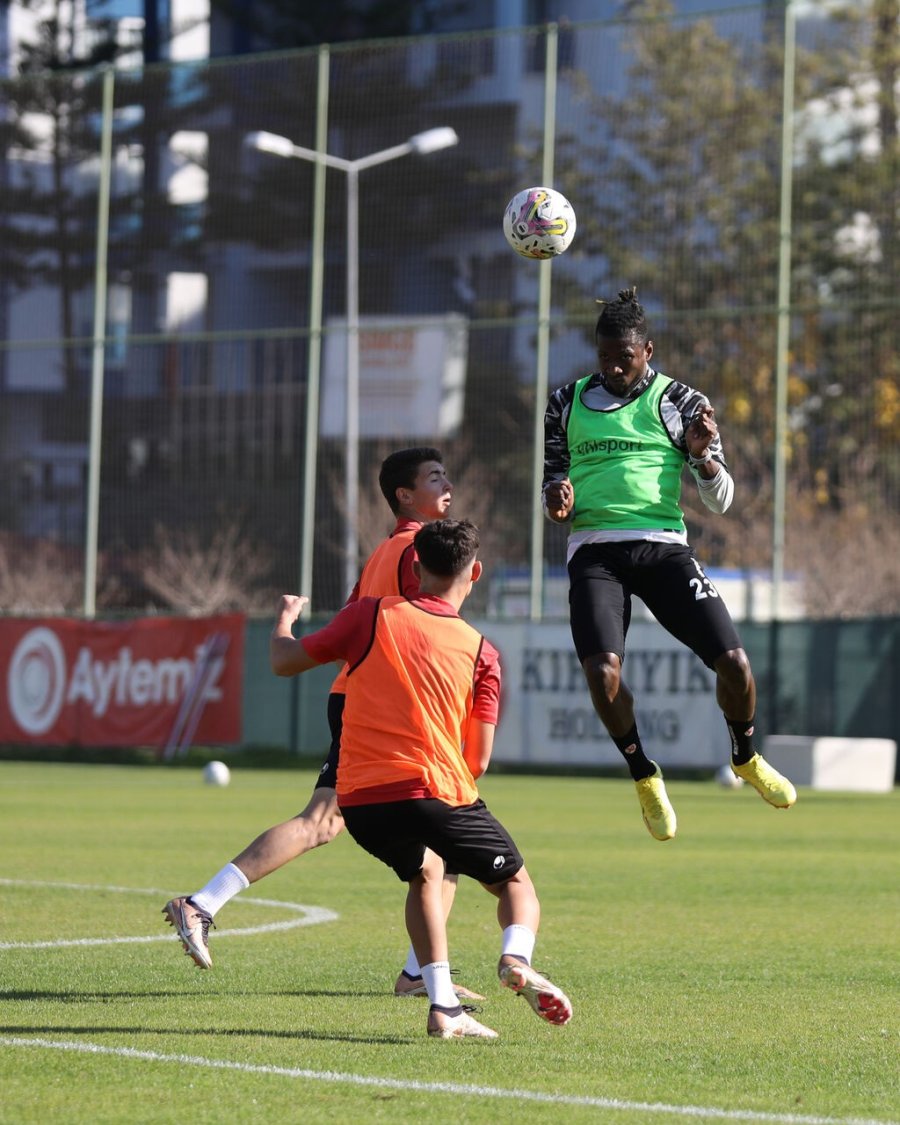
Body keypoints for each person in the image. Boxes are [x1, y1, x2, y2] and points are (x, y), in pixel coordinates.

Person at [163, 448, 481, 1001]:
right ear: (405, 495)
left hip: (367, 698)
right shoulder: (412, 551)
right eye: (435, 477)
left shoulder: (386, 549)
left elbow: (354, 618)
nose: (448, 484)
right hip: (380, 706)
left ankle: (420, 974)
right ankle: (200, 904)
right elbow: (417, 629)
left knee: (416, 840)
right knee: (328, 821)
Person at [270, 518, 573, 1039]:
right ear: (475, 572)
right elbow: (476, 760)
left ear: (413, 566)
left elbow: (284, 663)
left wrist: (284, 621)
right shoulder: (483, 652)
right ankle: (516, 959)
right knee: (515, 884)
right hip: (434, 790)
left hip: (361, 800)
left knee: (425, 877)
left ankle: (443, 1008)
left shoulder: (368, 615)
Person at [542, 287, 797, 841]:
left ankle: (746, 758)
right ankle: (644, 774)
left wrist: (703, 455)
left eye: (623, 358)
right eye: (603, 355)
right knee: (602, 672)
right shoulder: (564, 402)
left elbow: (721, 499)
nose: (611, 367)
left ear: (648, 351)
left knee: (734, 663)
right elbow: (553, 483)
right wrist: (557, 499)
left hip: (662, 548)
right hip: (594, 551)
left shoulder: (682, 401)